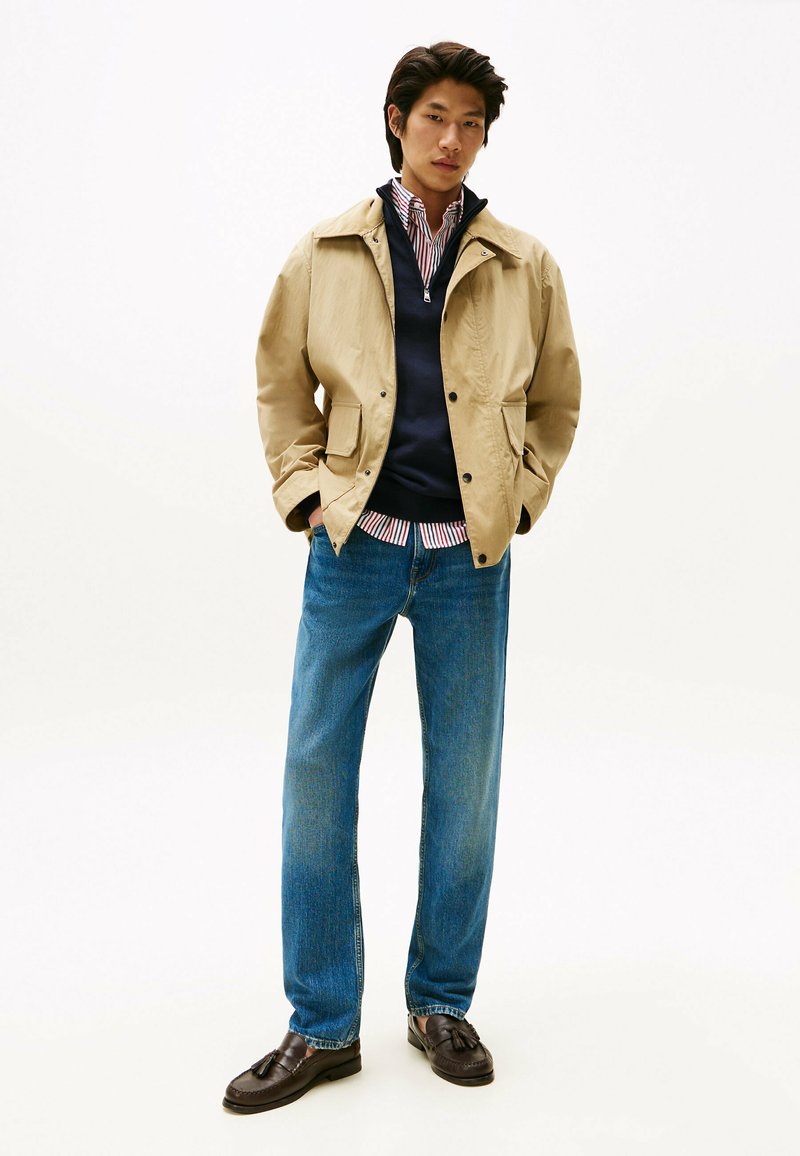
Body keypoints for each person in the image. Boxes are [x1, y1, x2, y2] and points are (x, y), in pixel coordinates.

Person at [223, 40, 581, 1113]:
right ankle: (321, 1023)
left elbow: (557, 400)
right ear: (396, 120)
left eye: (470, 124)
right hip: (354, 548)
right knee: (315, 777)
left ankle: (439, 1004)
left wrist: (520, 498)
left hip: (469, 557)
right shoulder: (327, 250)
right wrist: (304, 494)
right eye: (435, 117)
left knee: (464, 785)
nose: (451, 139)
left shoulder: (523, 264)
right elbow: (279, 382)